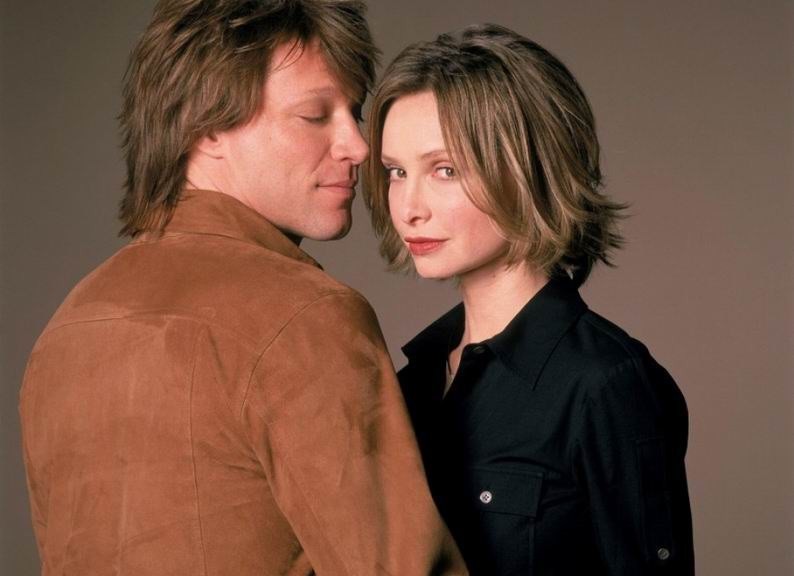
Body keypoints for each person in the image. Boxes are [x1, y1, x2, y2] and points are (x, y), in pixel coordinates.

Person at [19, 1, 467, 575]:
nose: (357, 146)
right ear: (208, 128)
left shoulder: (67, 329)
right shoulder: (306, 315)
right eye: (315, 115)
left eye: (354, 112)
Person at [364, 23, 695, 575]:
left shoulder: (605, 385)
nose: (408, 207)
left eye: (445, 170)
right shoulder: (410, 381)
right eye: (396, 172)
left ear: (528, 170)